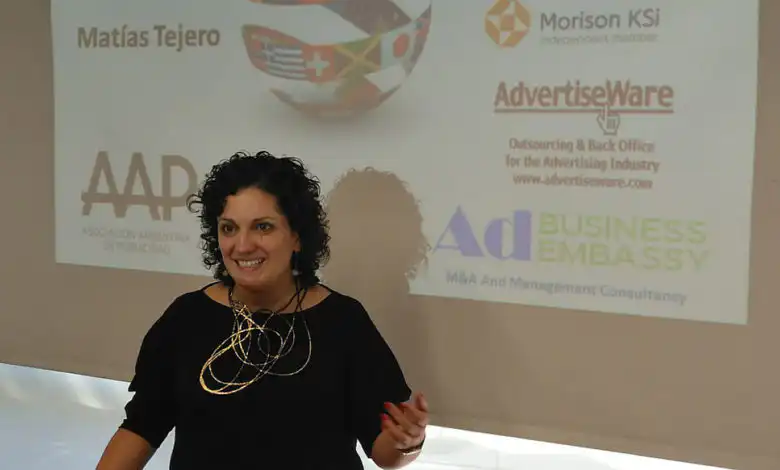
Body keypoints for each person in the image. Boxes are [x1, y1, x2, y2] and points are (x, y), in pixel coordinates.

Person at [95, 151, 429, 469]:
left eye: (263, 227)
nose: (242, 245)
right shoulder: (186, 318)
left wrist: (407, 443)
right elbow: (142, 425)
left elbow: (385, 451)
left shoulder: (344, 322)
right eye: (229, 228)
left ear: (297, 236)